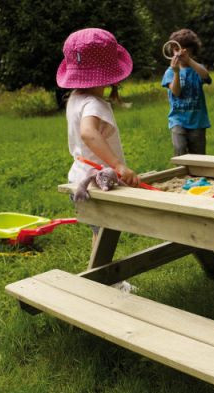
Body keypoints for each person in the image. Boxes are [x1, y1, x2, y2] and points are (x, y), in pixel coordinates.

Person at [56, 28, 140, 248]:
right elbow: (87, 132)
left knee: (101, 233)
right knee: (105, 235)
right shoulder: (94, 104)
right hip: (96, 183)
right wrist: (119, 165)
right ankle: (107, 279)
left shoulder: (75, 98)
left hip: (81, 175)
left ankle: (104, 275)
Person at [161, 29, 212, 156]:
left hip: (198, 122)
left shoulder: (197, 68)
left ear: (192, 50)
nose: (179, 53)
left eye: (185, 50)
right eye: (176, 49)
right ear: (172, 51)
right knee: (180, 149)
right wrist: (177, 72)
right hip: (178, 120)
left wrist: (189, 61)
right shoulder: (170, 72)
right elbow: (176, 92)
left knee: (199, 156)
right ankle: (180, 174)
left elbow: (206, 77)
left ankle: (197, 175)